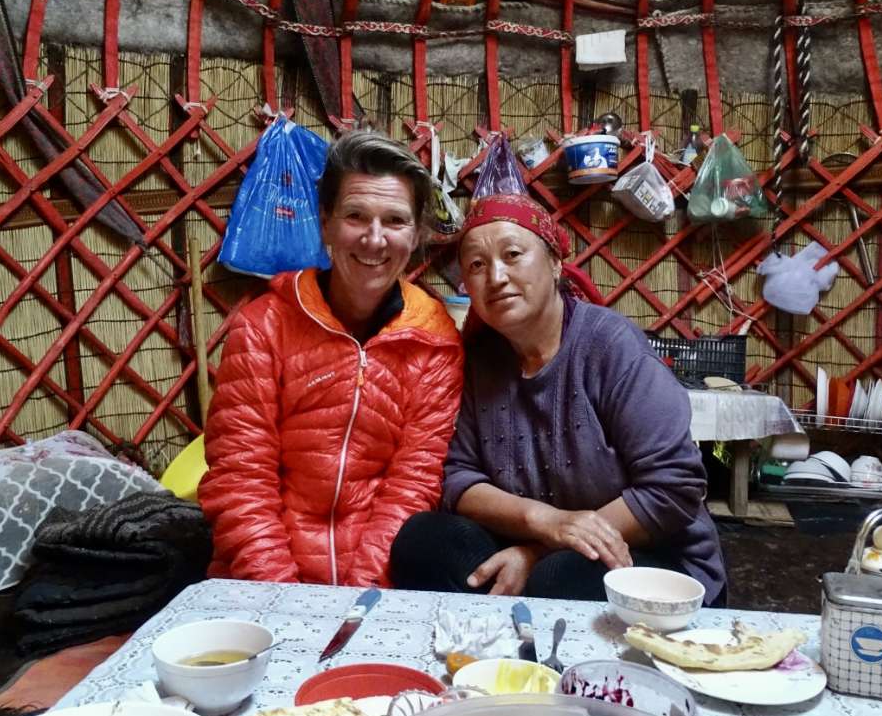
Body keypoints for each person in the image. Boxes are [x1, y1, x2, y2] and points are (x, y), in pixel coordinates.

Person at [388, 193, 728, 605]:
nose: (496, 276)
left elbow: (673, 487)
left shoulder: (610, 347)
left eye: (512, 255)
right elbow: (460, 478)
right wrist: (543, 521)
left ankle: (522, 622)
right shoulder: (479, 360)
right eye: (476, 265)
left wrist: (538, 551)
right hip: (529, 540)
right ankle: (501, 633)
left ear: (555, 263)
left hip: (651, 554)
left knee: (560, 578)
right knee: (423, 541)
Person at [199, 130, 463, 587]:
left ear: (418, 234)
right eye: (356, 216)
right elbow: (241, 476)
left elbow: (413, 485)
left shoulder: (434, 341)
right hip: (262, 580)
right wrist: (286, 597)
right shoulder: (265, 326)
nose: (374, 240)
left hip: (380, 584)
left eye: (395, 221)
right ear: (325, 223)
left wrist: (360, 600)